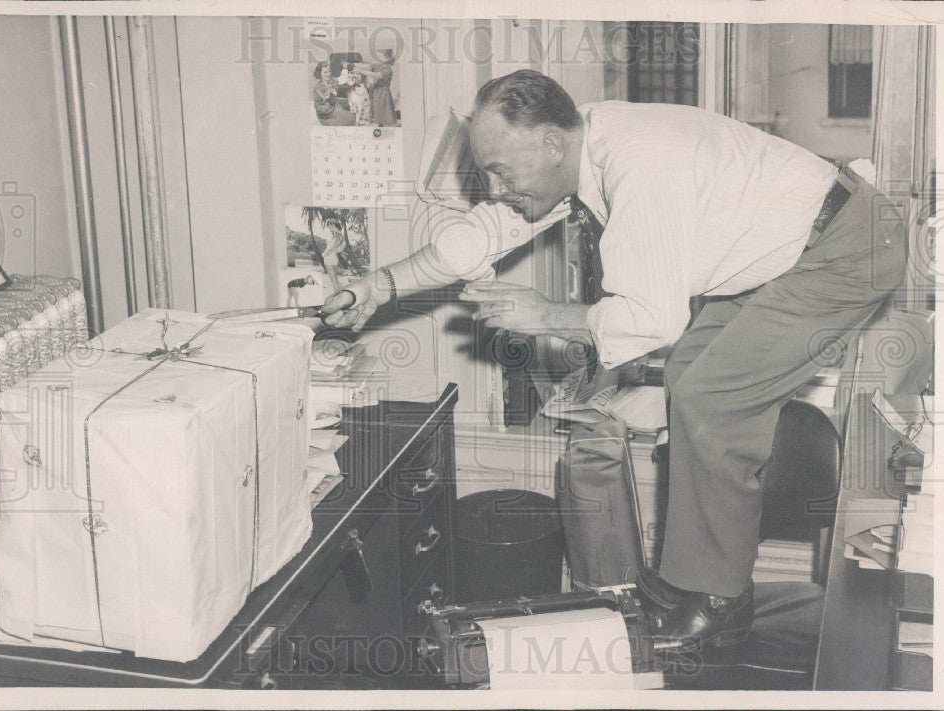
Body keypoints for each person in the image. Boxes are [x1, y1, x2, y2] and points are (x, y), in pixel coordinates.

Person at [321, 69, 907, 650]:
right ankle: (691, 582)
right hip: (792, 246)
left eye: (501, 170)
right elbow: (487, 230)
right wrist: (381, 284)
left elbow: (651, 318)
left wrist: (547, 315)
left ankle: (720, 603)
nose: (496, 187)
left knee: (712, 399)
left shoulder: (637, 166)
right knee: (688, 378)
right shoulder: (580, 145)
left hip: (847, 248)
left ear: (551, 142)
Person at [312, 61, 355, 127]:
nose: (328, 74)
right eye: (325, 72)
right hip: (325, 116)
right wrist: (330, 103)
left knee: (352, 118)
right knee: (340, 125)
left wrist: (349, 79)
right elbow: (319, 108)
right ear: (319, 74)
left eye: (329, 71)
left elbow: (342, 80)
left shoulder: (332, 80)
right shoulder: (318, 88)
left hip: (336, 108)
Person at [369, 49, 398, 127]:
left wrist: (360, 71)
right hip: (376, 93)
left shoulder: (387, 69)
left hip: (383, 93)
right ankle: (380, 128)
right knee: (378, 116)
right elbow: (367, 66)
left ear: (386, 58)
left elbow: (377, 75)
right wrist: (352, 65)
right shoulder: (378, 66)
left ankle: (385, 132)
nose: (378, 58)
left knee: (384, 116)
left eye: (381, 56)